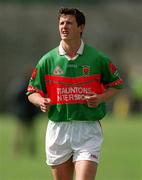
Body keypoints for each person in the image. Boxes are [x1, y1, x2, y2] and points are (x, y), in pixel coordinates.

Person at [27, 8, 123, 180]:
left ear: (81, 27)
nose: (64, 27)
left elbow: (116, 84)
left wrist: (100, 98)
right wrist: (40, 101)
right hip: (58, 130)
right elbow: (32, 91)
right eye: (61, 23)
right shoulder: (47, 60)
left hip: (87, 130)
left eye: (69, 23)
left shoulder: (97, 58)